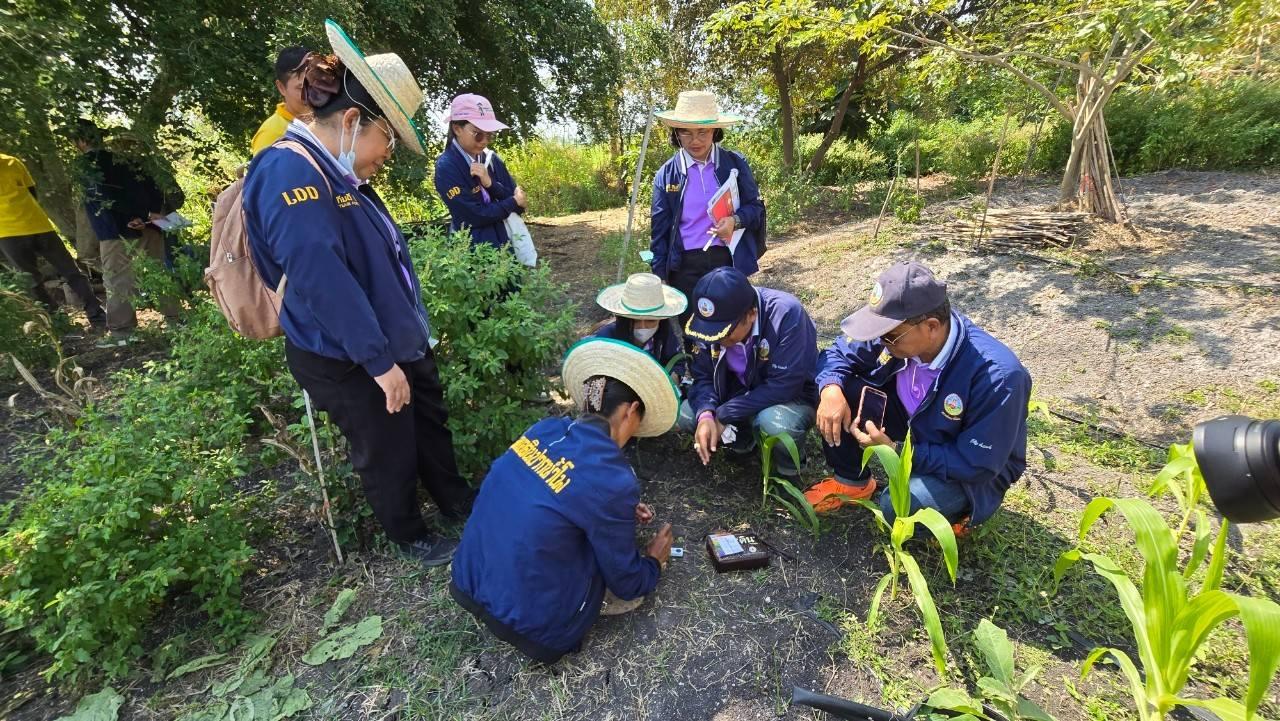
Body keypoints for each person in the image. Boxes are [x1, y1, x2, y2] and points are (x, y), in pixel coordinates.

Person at [242, 21, 474, 567]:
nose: (387, 153)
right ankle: (409, 532)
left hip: (392, 338)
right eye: (386, 137)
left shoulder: (341, 174)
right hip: (346, 354)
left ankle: (455, 500)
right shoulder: (286, 172)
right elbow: (322, 279)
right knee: (386, 444)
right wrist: (378, 361)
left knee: (427, 423)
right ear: (351, 120)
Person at [451, 338, 678, 663]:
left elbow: (555, 493)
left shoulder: (544, 429)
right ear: (631, 411)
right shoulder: (612, 477)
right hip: (537, 628)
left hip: (467, 581)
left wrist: (616, 510)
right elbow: (628, 583)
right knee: (625, 590)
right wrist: (653, 562)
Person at [804, 261, 1032, 530]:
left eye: (890, 338)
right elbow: (837, 355)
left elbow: (978, 464)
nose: (881, 341)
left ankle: (963, 513)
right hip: (917, 422)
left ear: (932, 326)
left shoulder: (999, 378)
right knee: (838, 388)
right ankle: (852, 482)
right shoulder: (896, 328)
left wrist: (897, 452)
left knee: (898, 507)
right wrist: (830, 388)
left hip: (968, 462)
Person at [680, 267, 817, 479]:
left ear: (751, 314)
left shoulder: (787, 314)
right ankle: (743, 441)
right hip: (738, 393)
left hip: (791, 397)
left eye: (725, 333)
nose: (716, 339)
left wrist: (724, 414)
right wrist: (707, 414)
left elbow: (785, 386)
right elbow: (703, 376)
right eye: (712, 333)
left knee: (774, 422)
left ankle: (789, 471)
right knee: (688, 414)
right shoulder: (710, 324)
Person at [649, 90, 765, 336]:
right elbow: (659, 232)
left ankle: (735, 373)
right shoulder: (666, 175)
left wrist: (735, 220)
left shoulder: (733, 164)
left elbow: (756, 209)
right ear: (676, 134)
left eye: (702, 132)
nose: (695, 141)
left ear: (715, 131)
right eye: (686, 132)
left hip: (727, 260)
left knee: (734, 329)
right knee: (695, 333)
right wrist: (660, 276)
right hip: (685, 267)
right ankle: (701, 374)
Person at [72, 120, 185, 346]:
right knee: (159, 270)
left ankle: (123, 332)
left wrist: (134, 215)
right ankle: (177, 319)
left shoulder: (85, 165)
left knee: (117, 278)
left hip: (116, 229)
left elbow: (102, 196)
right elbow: (153, 187)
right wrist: (149, 213)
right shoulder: (127, 160)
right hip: (150, 224)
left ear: (81, 141)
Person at [0, 153, 104, 327]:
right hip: (36, 225)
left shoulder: (13, 162)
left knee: (33, 281)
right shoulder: (12, 161)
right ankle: (95, 315)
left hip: (11, 232)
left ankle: (58, 321)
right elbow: (32, 193)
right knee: (70, 272)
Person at [432, 94, 527, 250]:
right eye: (478, 134)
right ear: (457, 128)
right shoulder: (446, 167)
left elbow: (520, 206)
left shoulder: (491, 159)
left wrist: (491, 184)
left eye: (489, 135)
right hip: (472, 254)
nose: (484, 141)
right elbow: (473, 216)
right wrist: (512, 202)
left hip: (506, 248)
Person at [593, 272, 688, 385]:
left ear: (661, 320)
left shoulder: (665, 334)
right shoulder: (606, 338)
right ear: (624, 319)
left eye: (651, 321)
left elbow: (677, 359)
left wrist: (674, 376)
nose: (643, 327)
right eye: (636, 321)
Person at [251, 46, 312, 155]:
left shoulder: (328, 120)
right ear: (281, 88)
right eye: (301, 88)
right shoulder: (270, 134)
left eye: (315, 85)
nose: (310, 94)